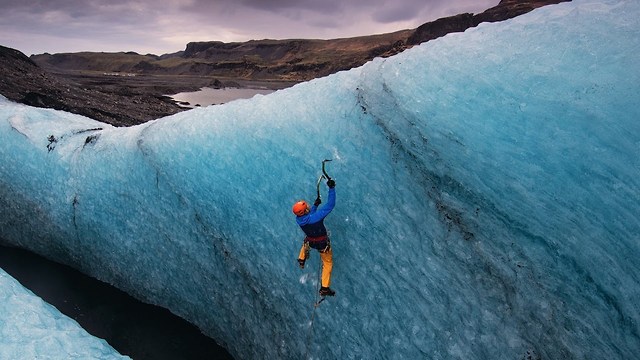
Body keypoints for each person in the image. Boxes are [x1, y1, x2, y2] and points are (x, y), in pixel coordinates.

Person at [292, 178, 336, 297]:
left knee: (307, 240)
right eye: (307, 206)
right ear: (305, 210)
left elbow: (308, 215)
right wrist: (332, 188)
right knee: (327, 263)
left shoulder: (299, 219)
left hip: (312, 241)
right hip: (322, 244)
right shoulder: (315, 218)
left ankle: (302, 259)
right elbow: (330, 205)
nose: (308, 207)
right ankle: (325, 288)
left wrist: (315, 205)